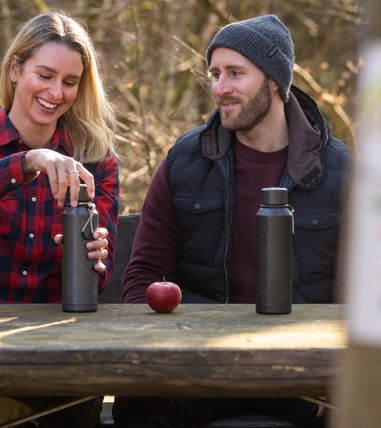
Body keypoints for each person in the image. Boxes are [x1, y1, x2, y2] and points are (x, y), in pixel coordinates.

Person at [113, 14, 352, 428]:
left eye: (235, 73)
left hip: (302, 369)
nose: (220, 88)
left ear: (274, 81)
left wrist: (338, 369)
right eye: (215, 73)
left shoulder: (340, 171)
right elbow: (142, 277)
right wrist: (168, 357)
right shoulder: (183, 162)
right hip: (202, 364)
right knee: (138, 408)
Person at [0, 10, 117, 428]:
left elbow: (98, 279)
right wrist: (27, 162)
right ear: (15, 68)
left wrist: (91, 259)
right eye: (45, 75)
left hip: (63, 359)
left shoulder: (95, 160)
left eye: (70, 82)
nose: (56, 92)